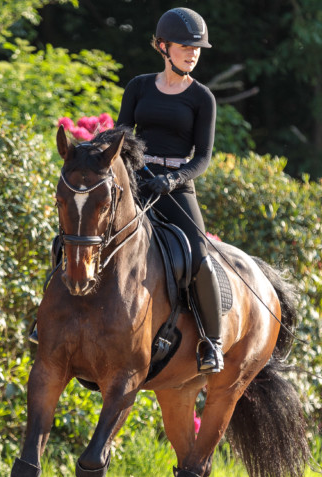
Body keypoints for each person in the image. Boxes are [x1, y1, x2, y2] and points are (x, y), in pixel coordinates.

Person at [117, 7, 223, 373]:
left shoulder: (202, 98)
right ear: (163, 47)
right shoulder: (139, 87)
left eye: (197, 49)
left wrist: (174, 180)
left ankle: (212, 342)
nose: (193, 53)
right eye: (185, 46)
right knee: (87, 228)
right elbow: (122, 135)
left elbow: (204, 157)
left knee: (200, 258)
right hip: (138, 181)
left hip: (177, 187)